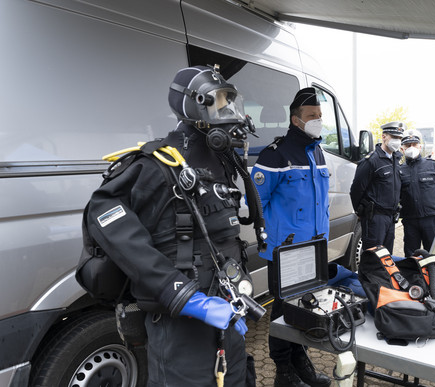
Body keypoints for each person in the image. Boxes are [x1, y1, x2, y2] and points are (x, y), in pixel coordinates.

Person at [85, 66, 255, 386]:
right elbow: (102, 213)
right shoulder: (158, 163)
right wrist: (185, 297)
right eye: (220, 102)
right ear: (195, 104)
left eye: (231, 102)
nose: (229, 111)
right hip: (181, 329)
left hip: (228, 319)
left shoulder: (223, 163)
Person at [251, 87, 331, 387]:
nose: (317, 121)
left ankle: (301, 362)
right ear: (296, 119)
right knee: (283, 313)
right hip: (286, 251)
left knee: (305, 310)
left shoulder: (318, 151)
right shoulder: (276, 154)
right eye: (312, 116)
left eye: (320, 116)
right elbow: (256, 203)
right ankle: (283, 372)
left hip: (314, 250)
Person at [350, 121, 405, 255]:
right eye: (394, 137)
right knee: (373, 258)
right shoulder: (371, 161)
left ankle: (384, 277)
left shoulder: (396, 160)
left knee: (386, 258)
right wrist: (361, 212)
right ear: (384, 137)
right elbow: (356, 190)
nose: (397, 141)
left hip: (390, 218)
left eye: (399, 138)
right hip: (375, 218)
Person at [399, 130, 435, 257]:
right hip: (410, 219)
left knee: (433, 254)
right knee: (411, 256)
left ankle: (433, 277)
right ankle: (415, 277)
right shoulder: (399, 170)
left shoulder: (433, 166)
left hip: (431, 218)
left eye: (414, 144)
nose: (411, 148)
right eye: (408, 145)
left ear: (420, 146)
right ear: (402, 149)